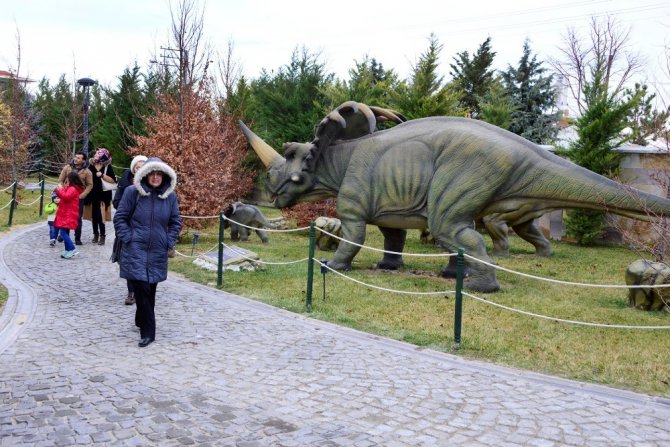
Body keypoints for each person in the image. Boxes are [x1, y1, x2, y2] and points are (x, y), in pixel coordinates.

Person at [113, 157, 181, 347]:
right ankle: (148, 332)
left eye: (159, 174)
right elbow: (120, 218)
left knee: (150, 288)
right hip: (136, 248)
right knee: (141, 287)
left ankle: (140, 318)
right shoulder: (131, 192)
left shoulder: (170, 197)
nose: (156, 177)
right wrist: (129, 238)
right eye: (152, 173)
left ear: (165, 176)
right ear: (145, 175)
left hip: (157, 250)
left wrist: (169, 240)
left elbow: (175, 222)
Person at [112, 154, 147, 305]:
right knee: (126, 260)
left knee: (143, 260)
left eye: (143, 167)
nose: (140, 170)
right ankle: (131, 291)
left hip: (145, 228)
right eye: (137, 167)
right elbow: (116, 202)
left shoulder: (152, 183)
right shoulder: (125, 182)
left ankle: (142, 289)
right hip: (128, 227)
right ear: (133, 168)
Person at [58, 152, 93, 245]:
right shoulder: (67, 168)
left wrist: (83, 195)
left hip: (78, 198)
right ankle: (64, 235)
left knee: (77, 218)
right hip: (66, 196)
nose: (76, 159)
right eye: (75, 157)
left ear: (83, 160)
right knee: (65, 216)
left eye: (78, 158)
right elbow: (60, 180)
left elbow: (90, 185)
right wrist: (62, 191)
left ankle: (77, 238)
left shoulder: (87, 171)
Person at [84, 148, 116, 245]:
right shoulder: (91, 165)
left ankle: (102, 236)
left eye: (98, 154)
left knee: (101, 216)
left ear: (103, 156)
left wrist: (102, 175)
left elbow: (113, 180)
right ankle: (95, 234)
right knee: (93, 216)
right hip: (92, 195)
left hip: (103, 196)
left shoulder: (107, 167)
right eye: (96, 153)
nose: (95, 155)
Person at [53, 171, 85, 259]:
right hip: (65, 212)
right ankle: (67, 250)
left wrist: (59, 190)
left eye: (67, 177)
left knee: (63, 232)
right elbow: (64, 193)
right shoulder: (70, 188)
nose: (66, 179)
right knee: (65, 231)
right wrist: (57, 190)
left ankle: (72, 249)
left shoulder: (73, 189)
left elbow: (66, 197)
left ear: (70, 179)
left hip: (69, 213)